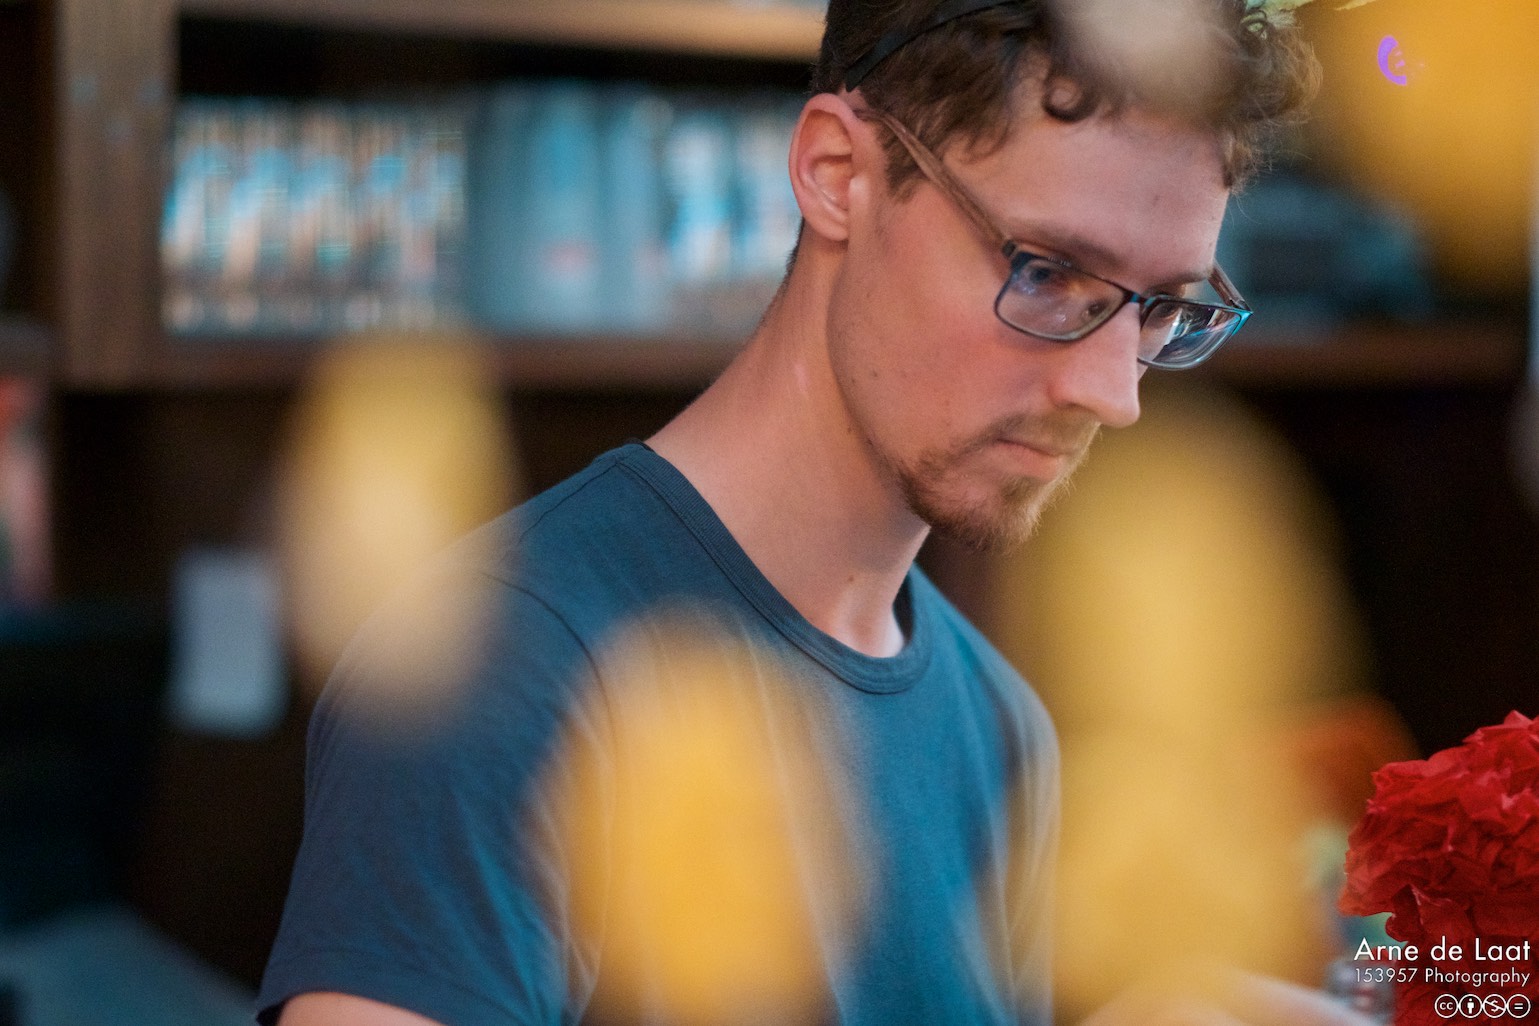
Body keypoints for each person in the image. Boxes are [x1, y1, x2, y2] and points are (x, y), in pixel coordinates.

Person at [258, 1, 1371, 1024]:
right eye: (1045, 273)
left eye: (1163, 311)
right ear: (837, 172)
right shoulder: (498, 664)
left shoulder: (1001, 727)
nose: (1111, 391)